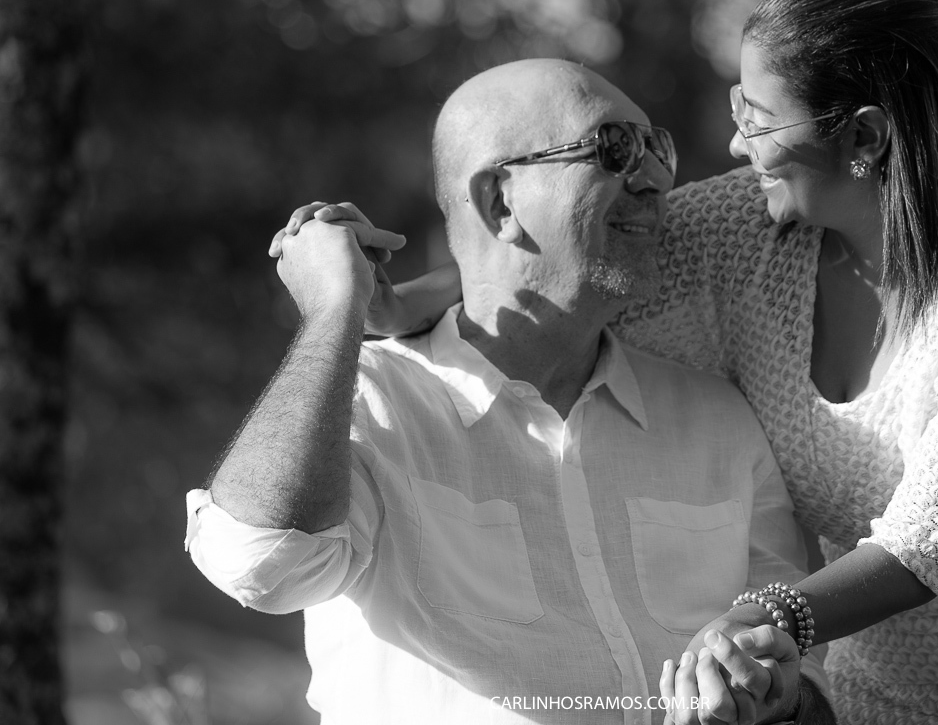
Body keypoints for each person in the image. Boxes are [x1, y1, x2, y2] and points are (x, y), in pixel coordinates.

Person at [281, 0, 938, 725]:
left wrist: (765, 613)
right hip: (893, 682)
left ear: (866, 140)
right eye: (734, 108)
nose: (733, 145)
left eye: (758, 118)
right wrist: (396, 302)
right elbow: (581, 260)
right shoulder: (750, 230)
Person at [188, 58, 836, 725]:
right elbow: (261, 564)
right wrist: (334, 312)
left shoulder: (718, 420)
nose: (651, 181)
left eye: (657, 149)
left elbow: (808, 675)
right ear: (500, 200)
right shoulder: (371, 403)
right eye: (615, 149)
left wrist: (776, 698)